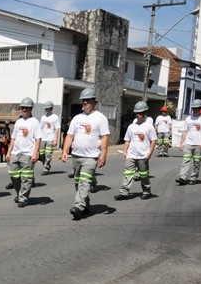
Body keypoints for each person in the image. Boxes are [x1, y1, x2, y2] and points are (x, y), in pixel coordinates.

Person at [60, 87, 110, 220]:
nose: (85, 102)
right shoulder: (77, 118)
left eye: (88, 100)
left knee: (85, 182)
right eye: (83, 100)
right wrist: (65, 151)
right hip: (76, 156)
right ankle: (86, 205)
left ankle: (78, 207)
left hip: (91, 157)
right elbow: (70, 136)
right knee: (78, 183)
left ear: (94, 101)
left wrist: (103, 154)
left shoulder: (100, 118)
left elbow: (104, 137)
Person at [114, 101, 157, 201]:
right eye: (137, 113)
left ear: (145, 113)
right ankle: (124, 193)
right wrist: (125, 151)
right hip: (131, 155)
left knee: (144, 175)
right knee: (127, 173)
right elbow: (127, 140)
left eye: (141, 113)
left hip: (143, 155)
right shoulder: (131, 126)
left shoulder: (149, 127)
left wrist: (150, 153)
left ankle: (147, 192)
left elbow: (153, 140)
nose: (138, 115)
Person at [7, 97, 41, 207]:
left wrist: (35, 153)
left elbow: (38, 139)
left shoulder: (35, 122)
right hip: (16, 153)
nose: (24, 110)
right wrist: (9, 152)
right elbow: (13, 138)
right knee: (13, 174)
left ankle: (23, 198)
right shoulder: (18, 122)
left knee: (26, 178)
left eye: (27, 108)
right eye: (22, 108)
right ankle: (20, 193)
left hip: (28, 154)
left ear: (31, 109)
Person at [176, 99, 201, 186]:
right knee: (185, 160)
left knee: (196, 162)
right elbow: (184, 132)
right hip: (188, 143)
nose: (195, 110)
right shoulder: (188, 119)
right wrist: (181, 143)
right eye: (193, 108)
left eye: (197, 108)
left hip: (199, 144)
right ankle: (182, 178)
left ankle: (193, 178)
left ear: (200, 108)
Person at [38, 101, 60, 175]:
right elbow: (40, 128)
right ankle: (46, 165)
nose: (47, 110)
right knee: (42, 153)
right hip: (43, 138)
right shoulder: (43, 117)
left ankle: (46, 169)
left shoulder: (55, 117)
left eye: (49, 108)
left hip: (51, 138)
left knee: (48, 154)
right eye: (46, 109)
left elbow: (57, 129)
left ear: (51, 108)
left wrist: (55, 139)